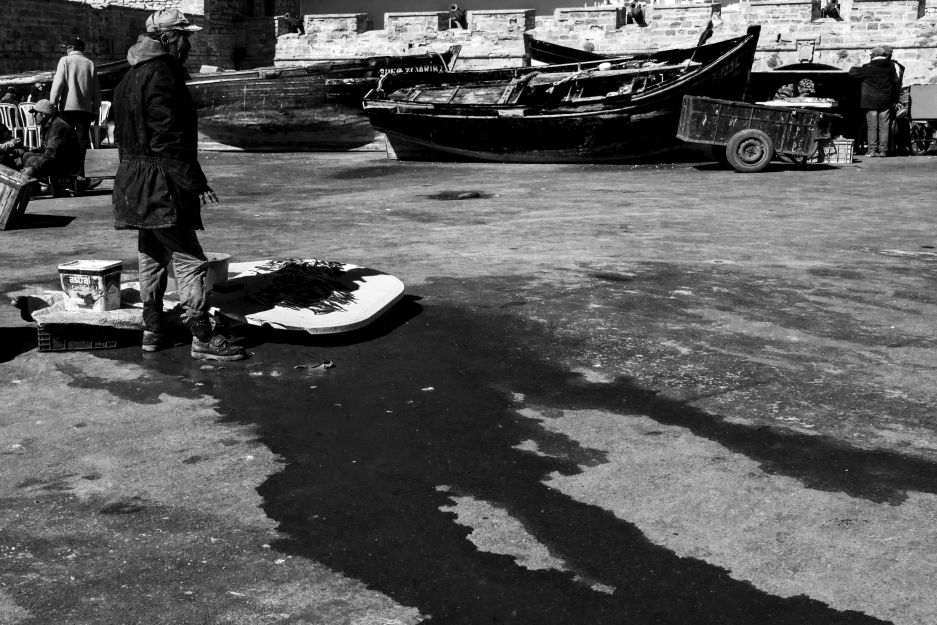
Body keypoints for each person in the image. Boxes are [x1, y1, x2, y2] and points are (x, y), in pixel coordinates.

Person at [112, 8, 247, 361]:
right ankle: (202, 335)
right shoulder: (164, 74)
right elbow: (168, 137)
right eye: (185, 37)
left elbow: (124, 135)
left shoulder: (129, 76)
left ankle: (153, 329)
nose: (188, 44)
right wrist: (194, 181)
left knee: (152, 254)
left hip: (132, 183)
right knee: (189, 258)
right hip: (161, 184)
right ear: (168, 38)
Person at [49, 37, 100, 176]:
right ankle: (79, 172)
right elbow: (96, 89)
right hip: (85, 110)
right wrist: (96, 108)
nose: (66, 50)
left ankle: (67, 172)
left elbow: (58, 85)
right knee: (82, 141)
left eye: (67, 47)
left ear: (71, 48)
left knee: (65, 140)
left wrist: (52, 104)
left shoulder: (65, 61)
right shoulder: (90, 63)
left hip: (68, 109)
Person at [849, 46, 900, 157]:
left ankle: (872, 151)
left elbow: (852, 73)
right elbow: (895, 82)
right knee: (884, 126)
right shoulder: (891, 67)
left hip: (870, 101)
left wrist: (856, 64)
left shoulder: (869, 67)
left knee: (872, 126)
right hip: (885, 100)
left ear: (873, 55)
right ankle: (883, 151)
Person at [20, 99, 84, 183]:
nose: (34, 116)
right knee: (26, 155)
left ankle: (35, 185)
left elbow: (51, 154)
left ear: (43, 115)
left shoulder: (57, 126)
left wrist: (33, 168)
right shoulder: (47, 124)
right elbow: (47, 148)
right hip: (58, 158)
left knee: (31, 160)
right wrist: (33, 149)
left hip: (68, 164)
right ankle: (37, 183)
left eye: (36, 113)